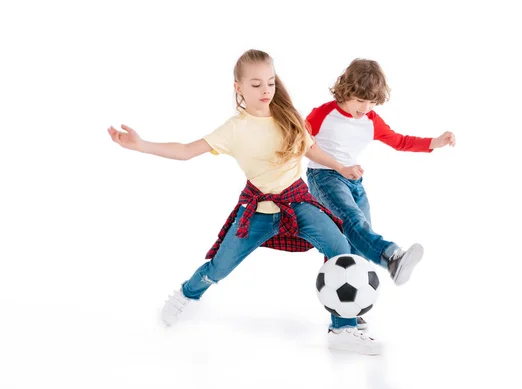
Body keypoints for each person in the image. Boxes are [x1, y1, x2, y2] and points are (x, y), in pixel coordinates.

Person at [107, 50, 419, 354]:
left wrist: (340, 167)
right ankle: (188, 293)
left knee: (339, 247)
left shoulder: (289, 116)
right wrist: (141, 145)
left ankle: (342, 328)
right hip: (258, 210)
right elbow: (187, 150)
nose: (265, 90)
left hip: (298, 201)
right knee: (218, 268)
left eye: (270, 82)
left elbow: (311, 149)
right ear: (238, 87)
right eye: (256, 84)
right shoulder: (234, 128)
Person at [305, 58, 456, 330]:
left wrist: (435, 142)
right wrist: (339, 166)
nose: (365, 108)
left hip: (354, 181)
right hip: (324, 177)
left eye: (372, 102)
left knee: (357, 242)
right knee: (353, 220)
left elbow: (399, 141)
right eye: (360, 100)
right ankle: (391, 257)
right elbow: (299, 141)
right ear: (345, 90)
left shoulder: (371, 120)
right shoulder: (323, 114)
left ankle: (346, 313)